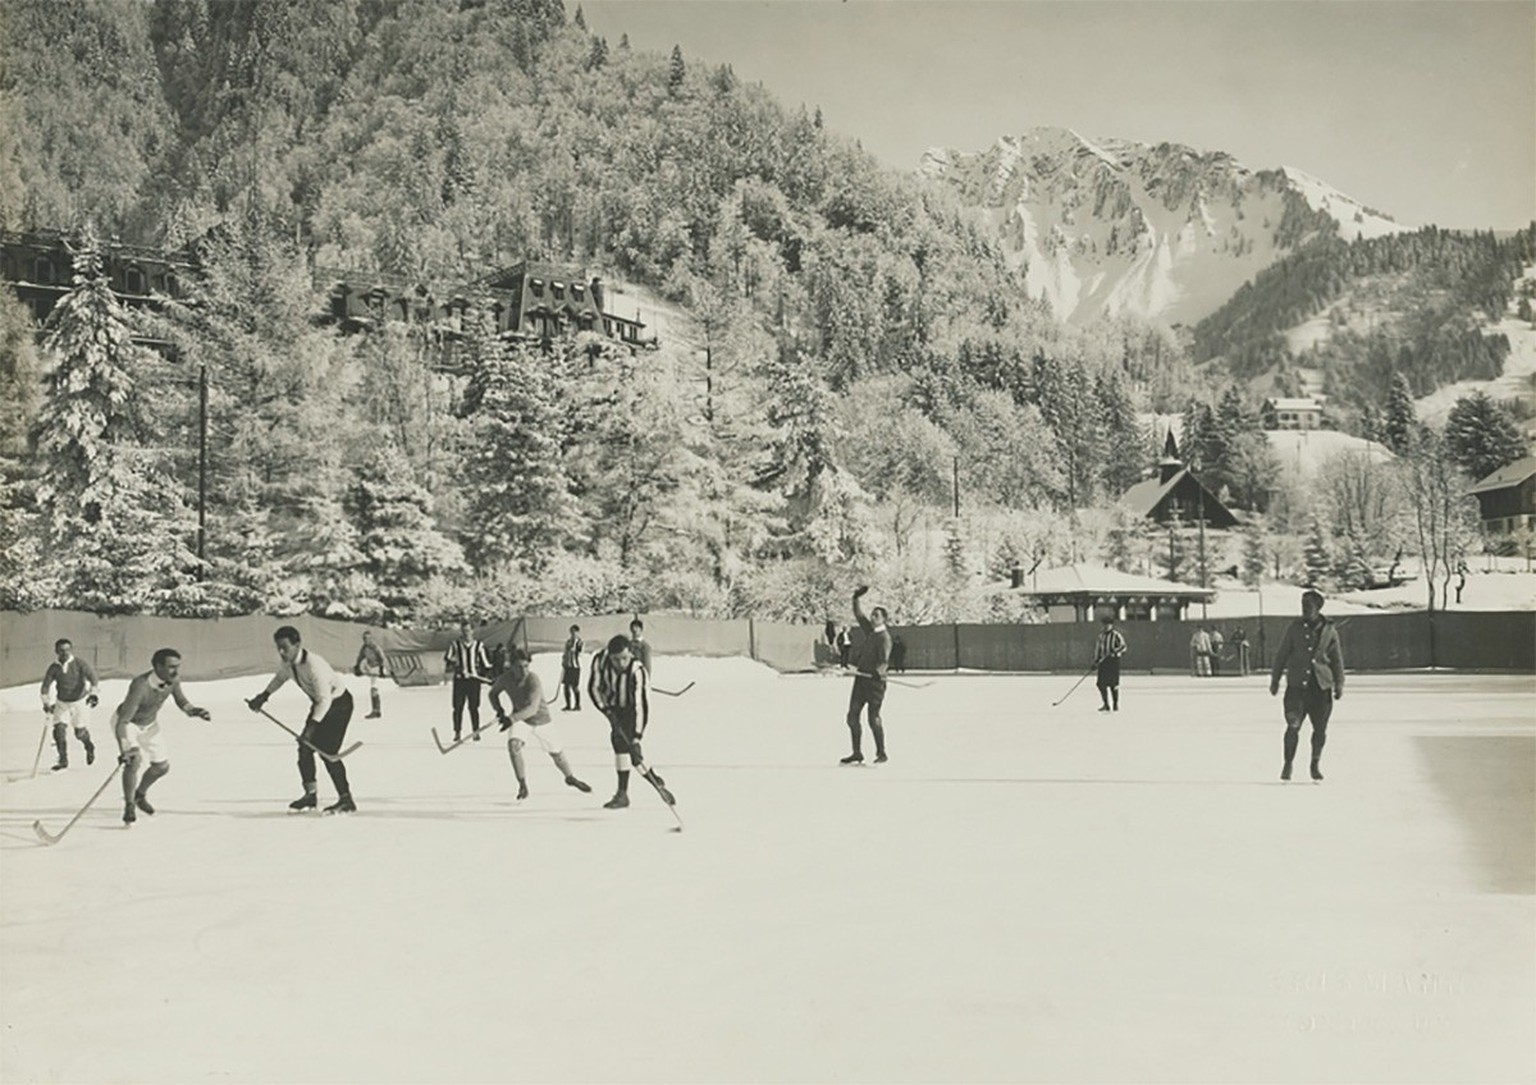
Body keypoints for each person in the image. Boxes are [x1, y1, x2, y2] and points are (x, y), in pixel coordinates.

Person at [248, 626, 357, 813]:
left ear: (297, 645)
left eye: (285, 647)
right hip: (320, 704)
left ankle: (346, 800)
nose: (281, 652)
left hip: (339, 705)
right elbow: (280, 678)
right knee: (304, 748)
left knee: (328, 752)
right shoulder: (288, 663)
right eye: (278, 648)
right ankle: (310, 795)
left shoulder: (315, 665)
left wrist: (311, 728)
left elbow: (325, 700)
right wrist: (264, 696)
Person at [113, 648, 211, 824]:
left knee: (162, 767)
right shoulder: (140, 686)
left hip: (150, 725)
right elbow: (123, 722)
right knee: (134, 761)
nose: (176, 671)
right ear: (158, 666)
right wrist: (125, 749)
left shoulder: (173, 680)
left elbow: (181, 701)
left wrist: (194, 711)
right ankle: (129, 805)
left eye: (178, 666)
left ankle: (139, 795)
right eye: (171, 667)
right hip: (129, 724)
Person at [489, 648, 591, 799]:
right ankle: (522, 785)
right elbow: (493, 693)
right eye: (519, 667)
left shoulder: (533, 680)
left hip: (541, 720)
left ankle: (570, 777)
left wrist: (511, 719)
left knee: (557, 754)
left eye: (526, 666)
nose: (523, 670)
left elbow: (532, 708)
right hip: (522, 720)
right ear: (511, 667)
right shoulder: (505, 678)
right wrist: (499, 710)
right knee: (513, 746)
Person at [588, 634, 673, 809]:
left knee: (629, 750)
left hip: (632, 709)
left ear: (630, 654)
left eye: (625, 658)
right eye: (616, 659)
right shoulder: (600, 660)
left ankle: (636, 787)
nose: (621, 663)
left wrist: (636, 736)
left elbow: (641, 706)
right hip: (613, 707)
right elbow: (593, 688)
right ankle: (629, 790)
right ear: (609, 656)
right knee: (620, 745)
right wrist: (606, 711)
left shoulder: (638, 670)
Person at [1269, 590, 1346, 782]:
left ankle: (1315, 764)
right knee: (1293, 725)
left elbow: (1337, 660)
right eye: (1303, 606)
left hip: (1321, 688)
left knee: (1320, 729)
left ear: (1318, 608)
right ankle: (1288, 763)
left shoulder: (1329, 630)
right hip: (1296, 688)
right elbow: (1282, 654)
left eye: (1308, 606)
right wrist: (1275, 679)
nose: (1304, 610)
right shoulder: (1294, 628)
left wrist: (1339, 683)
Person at [842, 585, 891, 765]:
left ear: (884, 619)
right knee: (852, 716)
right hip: (861, 680)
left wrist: (879, 672)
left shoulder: (884, 638)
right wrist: (855, 598)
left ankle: (881, 753)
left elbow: (884, 660)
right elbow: (859, 615)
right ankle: (857, 753)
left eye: (876, 615)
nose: (872, 617)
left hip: (875, 683)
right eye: (873, 614)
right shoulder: (870, 632)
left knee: (873, 718)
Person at [40, 637, 100, 770]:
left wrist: (93, 694)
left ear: (71, 650)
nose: (65, 653)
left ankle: (89, 746)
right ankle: (63, 760)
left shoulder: (79, 663)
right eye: (61, 650)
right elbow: (45, 686)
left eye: (67, 650)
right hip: (62, 703)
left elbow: (93, 678)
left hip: (80, 702)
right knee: (59, 730)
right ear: (56, 651)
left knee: (79, 733)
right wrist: (46, 702)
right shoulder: (54, 667)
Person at [443, 621, 492, 742]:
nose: (466, 634)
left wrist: (485, 675)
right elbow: (447, 658)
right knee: (458, 707)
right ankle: (457, 732)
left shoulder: (479, 645)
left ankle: (476, 731)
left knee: (474, 707)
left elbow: (486, 663)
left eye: (468, 631)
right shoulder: (455, 645)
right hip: (460, 681)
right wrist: (456, 665)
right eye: (464, 631)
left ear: (472, 631)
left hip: (473, 681)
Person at [1093, 614, 1128, 712]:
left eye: (1108, 624)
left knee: (1113, 684)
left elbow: (1123, 646)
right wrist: (1095, 661)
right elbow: (1098, 649)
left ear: (1111, 625)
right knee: (1100, 684)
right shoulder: (1101, 636)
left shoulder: (1116, 635)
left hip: (1113, 661)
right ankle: (1106, 704)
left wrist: (1115, 650)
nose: (1106, 626)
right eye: (1104, 624)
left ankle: (1115, 704)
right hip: (1103, 662)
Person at [353, 630, 388, 719]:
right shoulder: (364, 648)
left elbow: (382, 657)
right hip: (371, 668)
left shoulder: (374, 647)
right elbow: (360, 657)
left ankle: (376, 710)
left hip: (377, 667)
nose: (366, 640)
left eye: (368, 638)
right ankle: (376, 710)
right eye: (364, 638)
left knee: (374, 687)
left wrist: (382, 669)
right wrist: (357, 667)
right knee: (373, 688)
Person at [560, 625, 584, 711]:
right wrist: (563, 660)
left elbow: (580, 653)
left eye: (574, 631)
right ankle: (568, 705)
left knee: (574, 686)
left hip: (575, 667)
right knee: (566, 686)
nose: (573, 633)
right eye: (571, 631)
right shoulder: (568, 642)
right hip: (568, 666)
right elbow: (565, 652)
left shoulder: (580, 642)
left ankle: (577, 705)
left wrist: (573, 649)